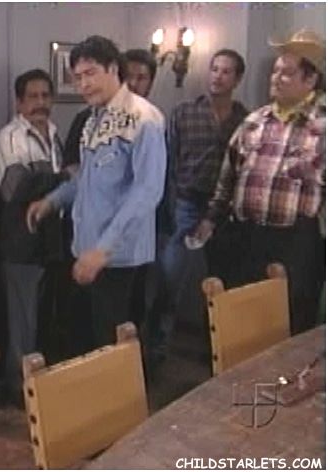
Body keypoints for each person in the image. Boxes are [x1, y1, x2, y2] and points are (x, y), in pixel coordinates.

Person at [27, 36, 166, 348]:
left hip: (119, 260)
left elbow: (147, 191)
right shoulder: (93, 119)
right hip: (86, 250)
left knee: (115, 349)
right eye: (77, 78)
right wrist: (52, 201)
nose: (83, 85)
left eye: (90, 74)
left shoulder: (144, 119)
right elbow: (86, 179)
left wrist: (103, 249)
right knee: (83, 344)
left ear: (113, 68)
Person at [193, 29, 326, 335]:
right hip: (246, 237)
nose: (276, 78)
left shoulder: (322, 126)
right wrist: (211, 218)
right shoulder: (254, 121)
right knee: (243, 326)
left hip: (296, 243)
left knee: (290, 327)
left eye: (287, 73)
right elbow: (227, 178)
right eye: (275, 71)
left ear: (310, 80)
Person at [149, 49, 248, 365]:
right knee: (170, 278)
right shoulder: (185, 113)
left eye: (226, 71)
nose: (218, 76)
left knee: (222, 280)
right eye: (214, 69)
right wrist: (169, 207)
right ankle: (157, 347)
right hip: (186, 203)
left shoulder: (246, 121)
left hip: (224, 211)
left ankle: (218, 347)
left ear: (237, 79)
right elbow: (168, 163)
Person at [0, 68, 66, 405]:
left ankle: (40, 388)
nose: (40, 103)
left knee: (44, 319)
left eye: (45, 96)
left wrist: (53, 179)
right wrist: (65, 177)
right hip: (21, 241)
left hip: (51, 239)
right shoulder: (10, 137)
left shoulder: (55, 134)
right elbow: (16, 187)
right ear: (19, 102)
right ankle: (19, 390)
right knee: (22, 323)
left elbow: (49, 185)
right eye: (32, 96)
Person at [64, 48, 156, 169]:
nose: (133, 83)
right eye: (128, 76)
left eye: (141, 78)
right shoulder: (86, 118)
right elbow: (70, 164)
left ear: (150, 83)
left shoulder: (150, 122)